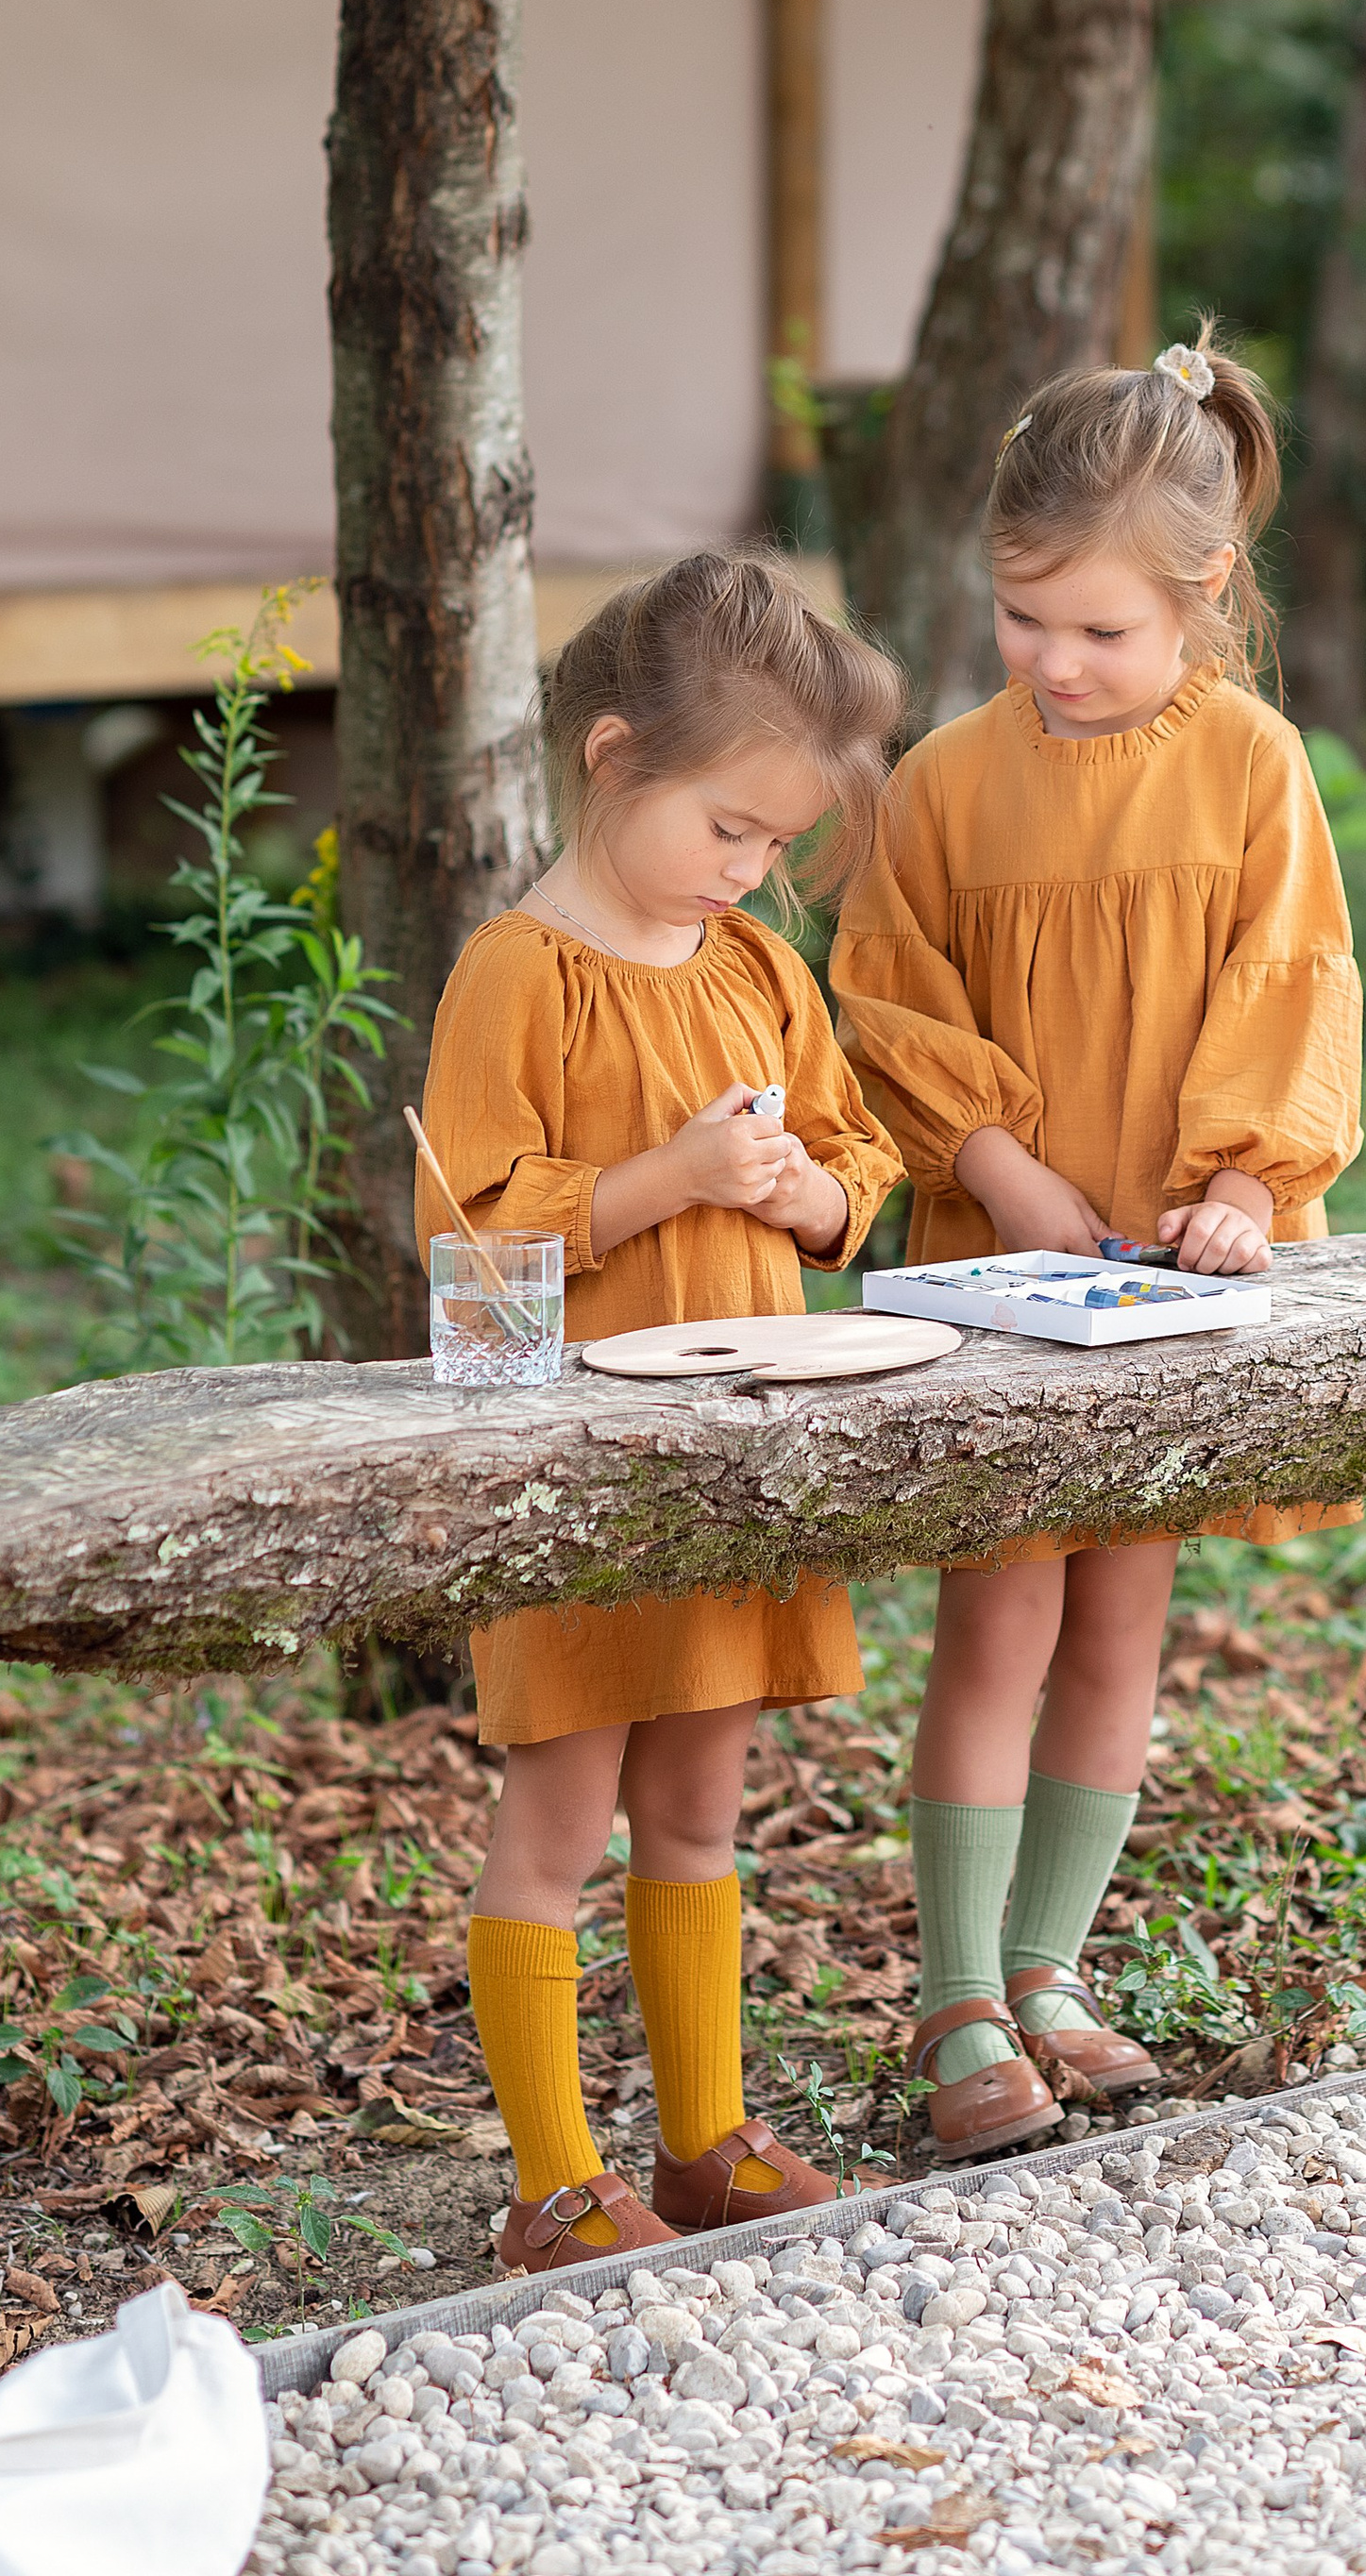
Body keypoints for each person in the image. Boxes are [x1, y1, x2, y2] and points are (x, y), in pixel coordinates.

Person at [832, 328, 1364, 2154]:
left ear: (1206, 594)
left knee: (1122, 1626)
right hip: (1009, 1272)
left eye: (1100, 631)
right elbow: (885, 1000)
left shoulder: (1253, 770)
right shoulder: (945, 786)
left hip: (1174, 1282)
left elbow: (1290, 990)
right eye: (1022, 618)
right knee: (999, 1628)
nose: (1055, 663)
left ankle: (1054, 1964)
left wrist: (1237, 1187)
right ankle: (960, 1994)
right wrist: (1002, 1159)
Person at [419, 552, 907, 2264]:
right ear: (615, 758)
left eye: (777, 848)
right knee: (557, 1818)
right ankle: (552, 2182)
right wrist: (663, 1178)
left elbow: (861, 1159)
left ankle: (703, 2141)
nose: (751, 872)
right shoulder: (517, 974)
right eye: (729, 831)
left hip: (737, 1463)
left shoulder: (758, 968)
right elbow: (465, 1235)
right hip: (569, 1476)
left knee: (701, 1806)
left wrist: (798, 1201)